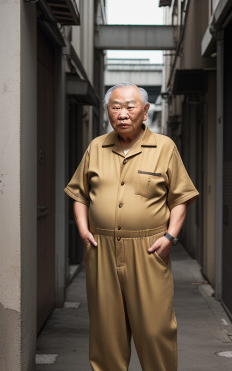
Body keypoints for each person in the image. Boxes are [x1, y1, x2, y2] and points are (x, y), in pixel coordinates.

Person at [64, 83, 199, 371]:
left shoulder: (164, 147)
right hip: (102, 249)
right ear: (107, 112)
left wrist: (170, 236)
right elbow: (79, 194)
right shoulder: (96, 147)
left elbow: (181, 198)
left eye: (130, 106)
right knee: (106, 334)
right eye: (115, 107)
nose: (122, 113)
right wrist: (83, 228)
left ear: (146, 111)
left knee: (155, 330)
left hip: (149, 249)